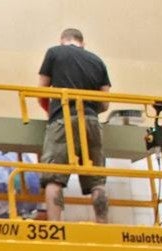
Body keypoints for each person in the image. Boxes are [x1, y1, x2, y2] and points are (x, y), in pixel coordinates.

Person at [37, 28, 112, 222]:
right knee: (97, 181)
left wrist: (52, 112)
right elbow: (104, 103)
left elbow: (41, 91)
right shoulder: (97, 61)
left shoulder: (54, 52)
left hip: (63, 119)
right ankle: (103, 225)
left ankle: (55, 226)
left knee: (54, 178)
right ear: (82, 42)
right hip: (92, 122)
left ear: (62, 40)